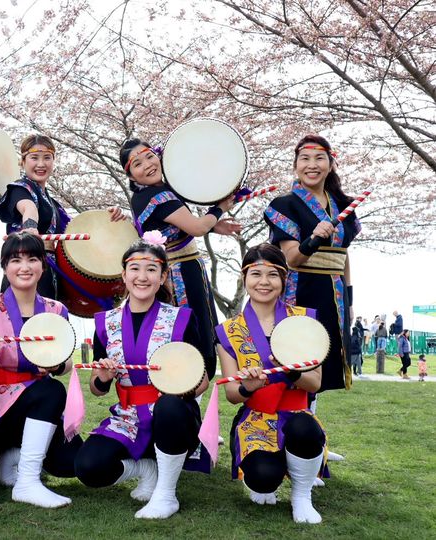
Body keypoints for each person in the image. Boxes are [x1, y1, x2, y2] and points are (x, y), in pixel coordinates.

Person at [74, 237, 209, 519]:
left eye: (151, 269)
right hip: (127, 418)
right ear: (123, 275)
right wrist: (102, 376)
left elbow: (203, 380)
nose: (142, 277)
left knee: (169, 407)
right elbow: (98, 389)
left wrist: (177, 389)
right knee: (88, 468)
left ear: (162, 277)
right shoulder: (105, 322)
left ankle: (166, 493)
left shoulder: (182, 318)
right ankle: (147, 468)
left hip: (172, 416)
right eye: (135, 269)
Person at [0, 232, 82, 508]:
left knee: (72, 463)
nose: (25, 267)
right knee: (51, 390)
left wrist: (56, 364)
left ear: (43, 266)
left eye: (33, 259)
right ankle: (28, 482)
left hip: (37, 404)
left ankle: (14, 455)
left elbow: (66, 362)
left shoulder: (56, 311)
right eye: (16, 260)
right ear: (5, 266)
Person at [216, 243, 327, 524]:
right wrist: (248, 387)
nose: (263, 282)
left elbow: (314, 383)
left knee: (304, 428)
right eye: (255, 274)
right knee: (264, 479)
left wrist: (291, 373)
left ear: (283, 280)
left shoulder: (304, 321)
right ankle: (271, 470)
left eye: (272, 275)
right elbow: (232, 394)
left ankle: (302, 495)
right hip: (256, 417)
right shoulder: (228, 331)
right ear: (244, 279)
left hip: (297, 413)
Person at [122, 138, 242, 380]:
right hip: (180, 272)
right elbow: (196, 227)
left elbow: (178, 228)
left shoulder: (148, 195)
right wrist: (218, 209)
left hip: (183, 267)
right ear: (132, 176)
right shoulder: (156, 195)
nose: (147, 164)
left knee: (191, 331)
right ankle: (189, 388)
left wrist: (214, 226)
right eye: (137, 164)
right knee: (193, 334)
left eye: (148, 156)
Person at [264, 135, 360, 392]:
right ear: (295, 165)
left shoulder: (345, 206)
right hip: (300, 291)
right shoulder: (284, 205)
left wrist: (349, 300)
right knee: (297, 363)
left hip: (334, 294)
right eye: (304, 159)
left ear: (331, 164)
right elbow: (292, 258)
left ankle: (309, 421)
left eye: (319, 158)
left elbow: (343, 255)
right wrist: (315, 238)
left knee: (323, 368)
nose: (312, 165)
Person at [0, 134, 123, 299]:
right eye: (34, 158)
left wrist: (109, 217)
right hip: (24, 268)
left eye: (47, 158)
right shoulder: (19, 189)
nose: (41, 164)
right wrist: (30, 227)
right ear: (23, 161)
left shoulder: (52, 204)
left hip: (48, 270)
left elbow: (76, 230)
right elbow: (29, 207)